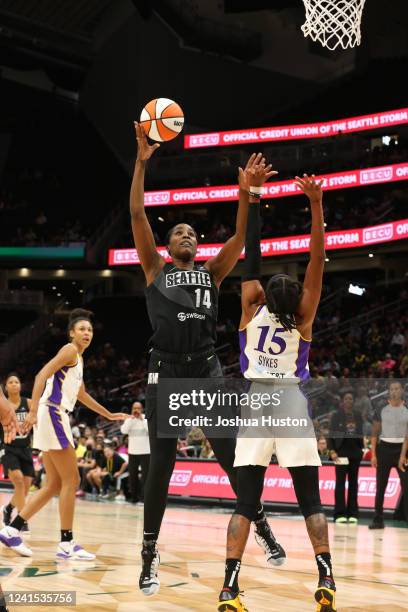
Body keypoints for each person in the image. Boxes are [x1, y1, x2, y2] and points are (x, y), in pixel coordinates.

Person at [131, 123, 280, 597]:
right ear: (168, 246)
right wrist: (141, 160)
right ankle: (149, 553)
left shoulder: (212, 273)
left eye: (191, 232)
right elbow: (136, 212)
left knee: (231, 455)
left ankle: (260, 523)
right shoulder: (155, 270)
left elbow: (240, 234)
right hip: (165, 368)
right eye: (178, 231)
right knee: (162, 464)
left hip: (205, 368)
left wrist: (247, 193)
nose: (186, 235)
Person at [218, 175, 337, 612]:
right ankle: (325, 578)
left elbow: (253, 251)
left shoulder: (250, 306)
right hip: (288, 399)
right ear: (299, 301)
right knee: (311, 500)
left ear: (265, 294)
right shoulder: (304, 317)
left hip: (255, 403)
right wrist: (316, 205)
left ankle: (229, 588)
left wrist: (253, 195)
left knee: (245, 502)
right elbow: (317, 258)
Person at [0, 309, 129, 558]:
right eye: (81, 329)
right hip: (53, 413)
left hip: (53, 415)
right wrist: (34, 409)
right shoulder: (69, 350)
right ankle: (66, 543)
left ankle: (12, 530)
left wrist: (109, 415)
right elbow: (41, 375)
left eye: (90, 330)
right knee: (73, 481)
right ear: (71, 333)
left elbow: (82, 396)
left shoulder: (78, 360)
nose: (86, 333)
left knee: (54, 484)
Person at [369, 381, 408, 529]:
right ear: (388, 391)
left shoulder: (407, 408)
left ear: (402, 390)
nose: (394, 391)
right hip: (384, 449)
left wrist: (403, 456)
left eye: (397, 389)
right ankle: (378, 519)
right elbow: (374, 433)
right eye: (391, 389)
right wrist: (373, 454)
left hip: (403, 449)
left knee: (407, 486)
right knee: (381, 486)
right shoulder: (381, 408)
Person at [0, 374, 35, 533]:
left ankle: (8, 509)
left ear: (20, 386)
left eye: (17, 382)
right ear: (5, 387)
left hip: (26, 449)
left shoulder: (28, 403)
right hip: (8, 448)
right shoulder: (3, 404)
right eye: (10, 382)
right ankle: (22, 519)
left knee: (25, 489)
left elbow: (37, 419)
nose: (14, 384)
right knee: (19, 482)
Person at [327, 392, 364, 524]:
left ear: (353, 401)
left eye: (351, 398)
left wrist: (362, 449)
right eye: (346, 398)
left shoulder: (358, 415)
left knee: (354, 484)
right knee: (340, 484)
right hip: (341, 453)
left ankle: (353, 513)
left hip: (355, 453)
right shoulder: (336, 416)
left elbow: (361, 432)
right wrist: (332, 451)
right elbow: (330, 434)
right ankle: (339, 514)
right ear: (343, 401)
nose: (349, 401)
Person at [121, 402, 150, 504]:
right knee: (132, 476)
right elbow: (123, 431)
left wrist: (142, 420)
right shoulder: (129, 420)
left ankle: (143, 498)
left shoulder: (146, 418)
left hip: (146, 452)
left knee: (145, 476)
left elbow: (150, 430)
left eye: (138, 408)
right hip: (133, 452)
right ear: (132, 409)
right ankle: (134, 498)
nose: (136, 410)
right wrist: (131, 420)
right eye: (134, 408)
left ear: (142, 409)